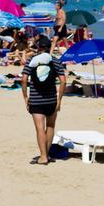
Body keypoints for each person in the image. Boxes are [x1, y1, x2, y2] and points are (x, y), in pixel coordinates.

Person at [21, 36, 66, 165]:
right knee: (50, 126)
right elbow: (63, 81)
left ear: (39, 48)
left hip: (36, 100)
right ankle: (47, 153)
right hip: (52, 100)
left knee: (40, 128)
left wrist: (25, 97)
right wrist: (59, 99)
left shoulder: (31, 60)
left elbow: (24, 80)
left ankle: (43, 156)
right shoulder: (55, 61)